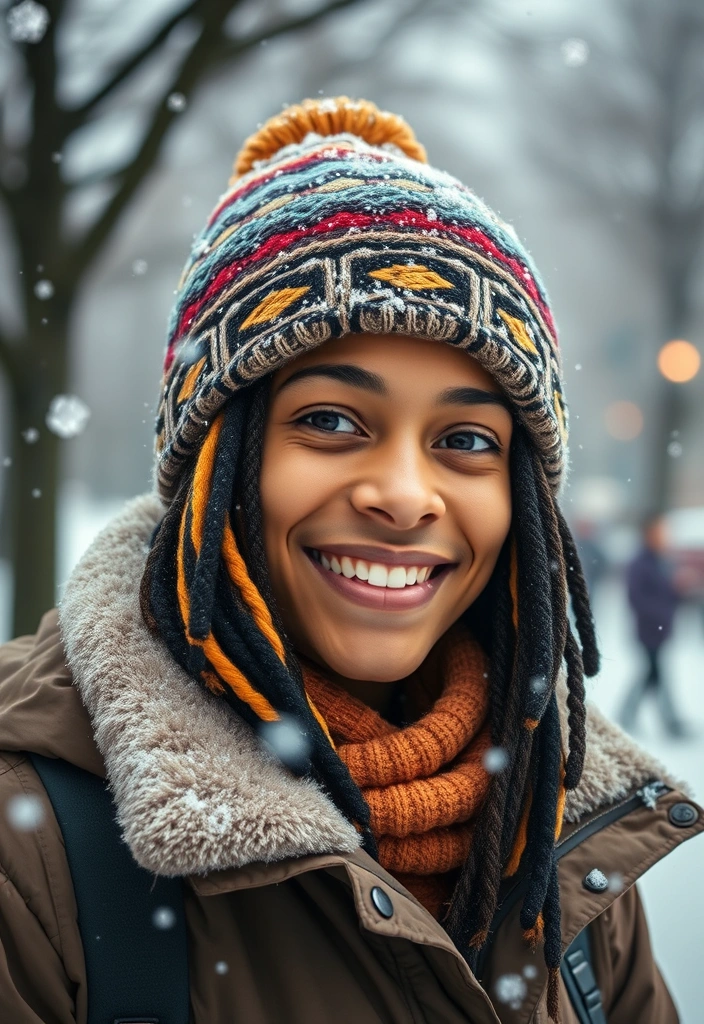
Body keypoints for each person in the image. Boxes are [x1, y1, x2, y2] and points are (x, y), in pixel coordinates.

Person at [0, 98, 701, 1024]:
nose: (406, 495)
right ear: (216, 465)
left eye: (465, 439)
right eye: (330, 421)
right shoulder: (34, 843)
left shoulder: (563, 831)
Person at [620, 514, 687, 736]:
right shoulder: (640, 563)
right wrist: (661, 613)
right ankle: (670, 722)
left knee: (652, 674)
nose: (663, 537)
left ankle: (628, 715)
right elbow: (637, 599)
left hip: (660, 629)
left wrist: (680, 588)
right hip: (648, 630)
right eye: (659, 532)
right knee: (655, 673)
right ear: (649, 534)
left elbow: (668, 595)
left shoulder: (661, 561)